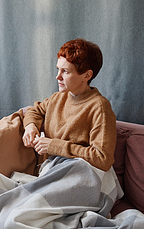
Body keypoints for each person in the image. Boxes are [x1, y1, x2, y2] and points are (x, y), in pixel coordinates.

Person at [22, 38, 117, 171]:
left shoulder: (99, 107)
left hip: (83, 174)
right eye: (58, 69)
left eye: (65, 71)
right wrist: (30, 126)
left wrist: (54, 146)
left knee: (10, 188)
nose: (57, 77)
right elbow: (34, 111)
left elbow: (102, 158)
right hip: (55, 170)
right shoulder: (57, 98)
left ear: (87, 75)